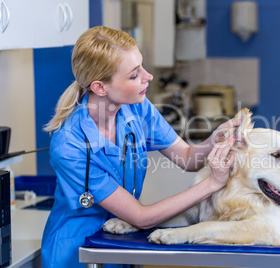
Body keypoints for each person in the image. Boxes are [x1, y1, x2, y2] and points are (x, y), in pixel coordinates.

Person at [41, 26, 241, 267]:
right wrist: (213, 183)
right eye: (134, 75)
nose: (148, 77)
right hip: (78, 251)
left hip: (121, 242)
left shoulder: (137, 107)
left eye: (142, 67)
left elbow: (188, 159)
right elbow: (141, 217)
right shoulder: (69, 145)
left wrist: (214, 139)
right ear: (100, 88)